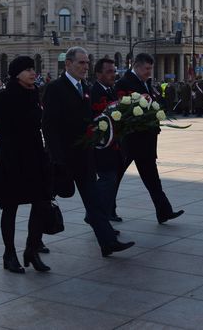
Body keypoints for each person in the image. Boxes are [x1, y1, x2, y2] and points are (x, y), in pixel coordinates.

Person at [42, 46, 134, 257]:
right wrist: (56, 157)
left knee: (93, 202)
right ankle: (33, 243)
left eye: (87, 63)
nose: (85, 66)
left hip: (83, 156)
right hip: (63, 158)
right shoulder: (55, 87)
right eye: (81, 63)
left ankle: (108, 242)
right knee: (45, 201)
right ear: (68, 64)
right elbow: (49, 126)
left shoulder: (85, 87)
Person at [0, 56, 52, 273]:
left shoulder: (34, 93)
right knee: (10, 208)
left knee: (42, 203)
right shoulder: (4, 97)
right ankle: (9, 254)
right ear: (17, 74)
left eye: (33, 69)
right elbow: (3, 133)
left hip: (35, 155)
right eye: (27, 69)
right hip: (12, 157)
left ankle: (32, 249)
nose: (32, 73)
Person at [115, 52, 184, 224]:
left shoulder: (145, 82)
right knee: (115, 178)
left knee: (152, 179)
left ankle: (164, 212)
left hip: (145, 140)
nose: (149, 72)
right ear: (136, 66)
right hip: (131, 140)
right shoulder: (124, 82)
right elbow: (122, 107)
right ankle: (104, 211)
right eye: (147, 68)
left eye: (151, 68)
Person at [90, 58, 123, 224]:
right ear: (98, 74)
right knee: (107, 182)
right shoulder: (94, 92)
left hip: (114, 146)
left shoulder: (111, 90)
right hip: (102, 147)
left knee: (111, 182)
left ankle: (104, 216)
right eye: (109, 71)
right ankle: (97, 217)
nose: (113, 75)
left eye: (114, 71)